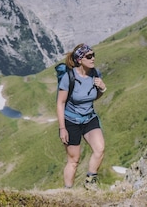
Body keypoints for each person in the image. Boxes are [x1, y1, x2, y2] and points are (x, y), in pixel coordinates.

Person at [56, 43, 107, 190]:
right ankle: (68, 192)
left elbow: (92, 97)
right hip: (71, 121)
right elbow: (60, 103)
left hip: (89, 118)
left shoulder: (95, 74)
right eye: (89, 56)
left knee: (99, 149)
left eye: (93, 55)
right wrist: (62, 128)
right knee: (74, 160)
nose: (93, 58)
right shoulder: (68, 77)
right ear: (79, 60)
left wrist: (102, 89)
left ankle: (90, 184)